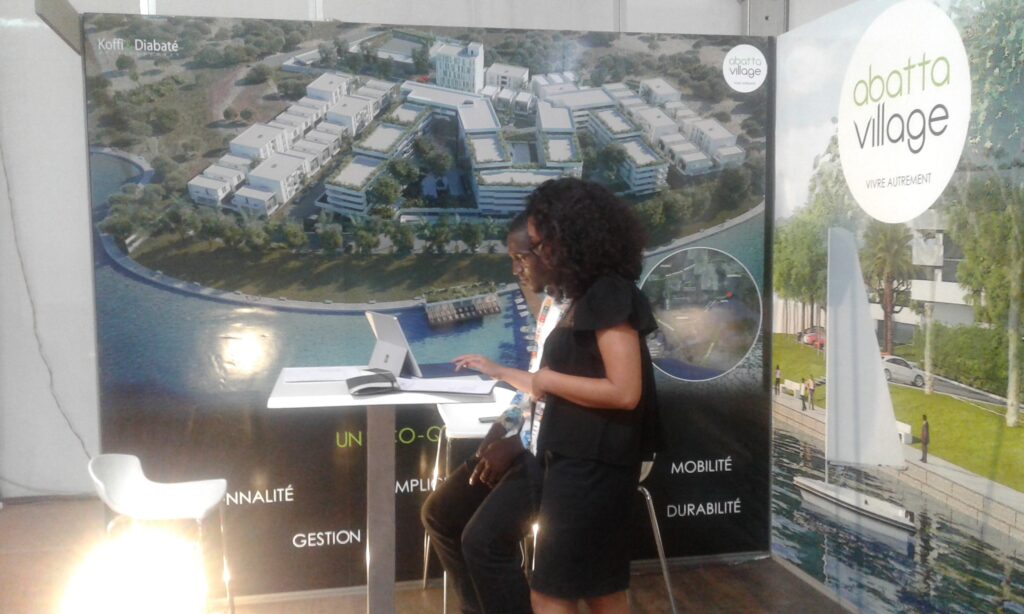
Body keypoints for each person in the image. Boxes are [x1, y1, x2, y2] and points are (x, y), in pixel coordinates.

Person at [522, 178, 660, 614]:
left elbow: (625, 391)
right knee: (601, 589)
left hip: (593, 467)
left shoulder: (607, 293)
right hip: (585, 459)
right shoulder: (588, 294)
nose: (538, 253)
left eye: (540, 243)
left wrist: (548, 380)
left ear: (569, 237)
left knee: (552, 591)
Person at [421, 213, 563, 614]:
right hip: (527, 440)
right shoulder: (550, 305)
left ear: (549, 251)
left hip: (556, 455)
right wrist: (501, 430)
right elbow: (535, 387)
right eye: (512, 260)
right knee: (441, 513)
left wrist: (517, 445)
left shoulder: (579, 311)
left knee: (483, 541)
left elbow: (568, 400)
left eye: (521, 258)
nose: (516, 271)